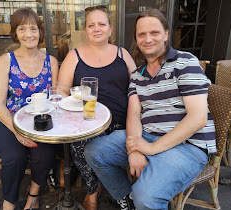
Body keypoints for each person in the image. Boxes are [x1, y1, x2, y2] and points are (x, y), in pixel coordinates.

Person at [85, 9, 216, 210]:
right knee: (95, 151)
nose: (148, 39)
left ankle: (142, 200)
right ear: (136, 39)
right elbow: (134, 114)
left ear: (166, 34)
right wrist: (135, 149)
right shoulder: (138, 75)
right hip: (148, 136)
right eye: (141, 34)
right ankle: (127, 199)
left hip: (187, 146)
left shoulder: (185, 62)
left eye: (154, 33)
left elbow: (198, 118)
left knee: (146, 197)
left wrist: (151, 149)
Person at [58, 5, 136, 210]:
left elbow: (137, 89)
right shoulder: (74, 56)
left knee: (101, 146)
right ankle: (93, 188)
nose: (96, 29)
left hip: (122, 120)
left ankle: (114, 189)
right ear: (85, 30)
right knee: (79, 145)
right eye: (91, 25)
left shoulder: (123, 54)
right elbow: (61, 91)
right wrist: (73, 108)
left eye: (102, 24)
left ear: (110, 29)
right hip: (88, 121)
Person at [0, 8, 60, 210]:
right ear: (15, 33)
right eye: (22, 29)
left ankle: (33, 196)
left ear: (40, 32)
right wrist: (17, 131)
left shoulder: (51, 62)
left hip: (37, 120)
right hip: (3, 119)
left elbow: (56, 97)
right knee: (14, 156)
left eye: (33, 28)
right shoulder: (6, 60)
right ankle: (9, 203)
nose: (28, 34)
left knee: (44, 153)